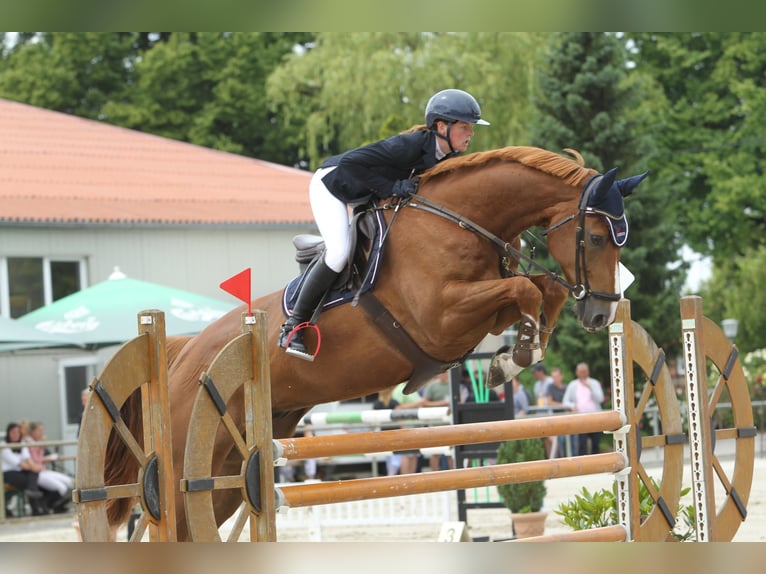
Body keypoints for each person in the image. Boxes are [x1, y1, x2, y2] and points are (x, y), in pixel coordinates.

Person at [278, 89, 490, 360]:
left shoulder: (443, 156)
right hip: (332, 185)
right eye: (464, 127)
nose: (470, 134)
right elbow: (353, 163)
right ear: (441, 126)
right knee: (339, 253)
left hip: (361, 191)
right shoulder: (410, 145)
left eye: (470, 128)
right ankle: (293, 326)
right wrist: (391, 187)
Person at [25, 421, 73, 513]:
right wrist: (45, 455)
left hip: (42, 470)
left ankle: (56, 505)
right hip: (35, 473)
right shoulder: (28, 442)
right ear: (32, 432)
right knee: (61, 488)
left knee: (68, 481)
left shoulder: (37, 442)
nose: (41, 433)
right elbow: (34, 460)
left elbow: (39, 459)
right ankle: (50, 505)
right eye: (39, 431)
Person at [2, 422, 47, 516]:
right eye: (13, 432)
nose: (16, 435)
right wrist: (34, 467)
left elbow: (27, 459)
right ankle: (37, 508)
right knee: (31, 480)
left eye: (18, 432)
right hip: (8, 473)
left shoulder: (22, 443)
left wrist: (34, 467)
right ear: (8, 433)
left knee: (33, 477)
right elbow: (19, 463)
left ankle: (36, 504)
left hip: (20, 472)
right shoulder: (4, 446)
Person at [562, 362, 605, 456]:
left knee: (596, 443)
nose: (582, 374)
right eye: (580, 372)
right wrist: (572, 405)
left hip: (595, 418)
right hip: (581, 418)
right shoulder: (573, 385)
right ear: (577, 373)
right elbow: (565, 401)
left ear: (588, 372)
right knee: (582, 444)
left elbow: (600, 399)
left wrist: (590, 388)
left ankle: (597, 464)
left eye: (584, 372)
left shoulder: (594, 383)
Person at [372, 385, 402, 476]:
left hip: (384, 432)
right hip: (395, 432)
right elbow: (399, 418)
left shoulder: (376, 404)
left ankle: (390, 475)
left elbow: (373, 420)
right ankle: (392, 475)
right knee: (396, 457)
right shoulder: (394, 402)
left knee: (389, 456)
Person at [544, 367, 571, 457]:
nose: (555, 379)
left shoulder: (566, 387)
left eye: (556, 376)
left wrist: (566, 406)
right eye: (553, 377)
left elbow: (571, 402)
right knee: (559, 441)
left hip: (567, 418)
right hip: (556, 418)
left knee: (572, 440)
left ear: (561, 377)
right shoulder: (550, 387)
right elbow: (549, 402)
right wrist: (563, 405)